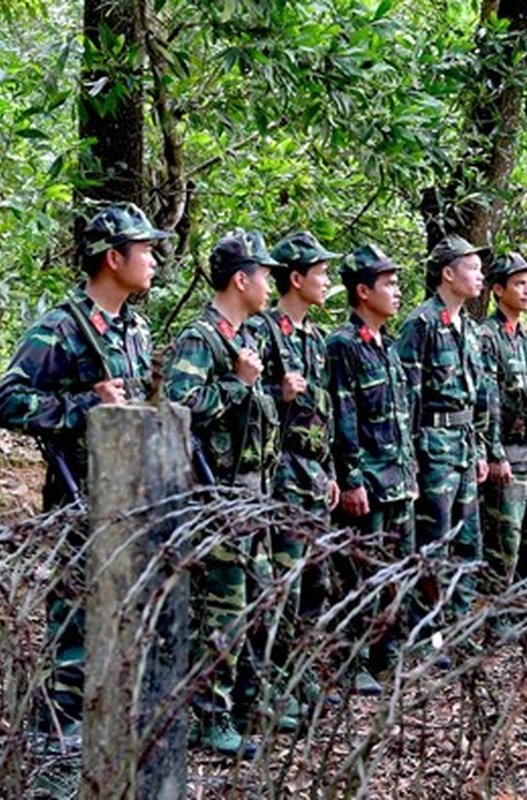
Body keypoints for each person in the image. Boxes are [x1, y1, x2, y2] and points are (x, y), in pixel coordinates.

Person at [0, 202, 171, 745]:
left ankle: (111, 723)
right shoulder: (63, 328)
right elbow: (8, 402)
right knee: (75, 621)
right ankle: (59, 738)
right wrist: (80, 408)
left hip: (130, 496)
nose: (155, 260)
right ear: (113, 258)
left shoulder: (134, 328)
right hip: (79, 498)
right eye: (145, 251)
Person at [163, 230, 280, 758]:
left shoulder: (245, 336)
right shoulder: (203, 338)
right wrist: (236, 382)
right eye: (265, 274)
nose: (270, 284)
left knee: (254, 602)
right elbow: (179, 405)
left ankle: (243, 706)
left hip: (250, 493)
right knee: (221, 610)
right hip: (216, 497)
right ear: (241, 279)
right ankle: (210, 717)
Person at [243, 231, 341, 709]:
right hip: (280, 471)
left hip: (314, 474)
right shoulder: (264, 332)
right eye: (319, 274)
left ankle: (301, 672)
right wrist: (277, 394)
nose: (325, 281)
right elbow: (251, 405)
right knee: (281, 579)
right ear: (295, 279)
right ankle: (275, 678)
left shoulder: (316, 338)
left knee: (314, 580)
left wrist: (332, 470)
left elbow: (327, 412)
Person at [394, 234, 503, 633]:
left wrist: (479, 449)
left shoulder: (469, 329)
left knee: (467, 540)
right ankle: (428, 631)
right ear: (448, 273)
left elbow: (476, 398)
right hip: (433, 449)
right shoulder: (420, 325)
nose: (480, 275)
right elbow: (406, 401)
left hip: (462, 448)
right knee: (433, 540)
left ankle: (458, 626)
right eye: (472, 267)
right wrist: (411, 460)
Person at [326, 244, 418, 694]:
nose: (397, 291)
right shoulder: (343, 346)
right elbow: (344, 417)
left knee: (397, 572)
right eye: (389, 284)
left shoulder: (389, 345)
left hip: (399, 480)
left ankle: (389, 655)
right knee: (360, 574)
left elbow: (402, 417)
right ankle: (352, 659)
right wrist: (351, 478)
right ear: (363, 292)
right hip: (369, 482)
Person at [477, 252, 527, 615]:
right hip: (505, 455)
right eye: (519, 283)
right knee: (503, 542)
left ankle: (522, 607)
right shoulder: (486, 337)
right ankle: (497, 613)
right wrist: (494, 453)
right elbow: (487, 400)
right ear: (498, 290)